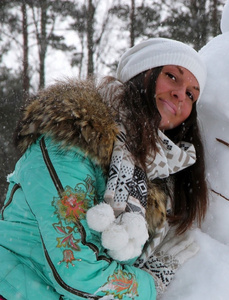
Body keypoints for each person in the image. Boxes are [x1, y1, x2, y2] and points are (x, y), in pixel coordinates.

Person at [0, 38, 208, 299]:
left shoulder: (155, 172)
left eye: (191, 94)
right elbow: (76, 271)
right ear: (142, 74)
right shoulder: (69, 141)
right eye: (172, 76)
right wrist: (149, 284)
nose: (181, 94)